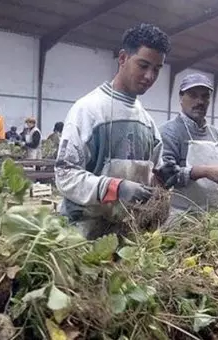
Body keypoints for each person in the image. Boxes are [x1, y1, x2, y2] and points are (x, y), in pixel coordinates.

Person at [55, 23, 170, 239]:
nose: (149, 76)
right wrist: (116, 187)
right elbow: (65, 174)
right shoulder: (88, 111)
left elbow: (154, 177)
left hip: (127, 236)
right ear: (123, 58)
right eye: (143, 65)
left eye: (156, 69)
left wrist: (164, 176)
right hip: (82, 237)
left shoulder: (147, 123)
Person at [159, 74, 218, 214]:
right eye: (193, 95)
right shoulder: (169, 132)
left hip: (216, 218)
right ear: (181, 97)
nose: (200, 101)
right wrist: (204, 171)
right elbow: (165, 175)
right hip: (181, 218)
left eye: (205, 96)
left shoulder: (217, 135)